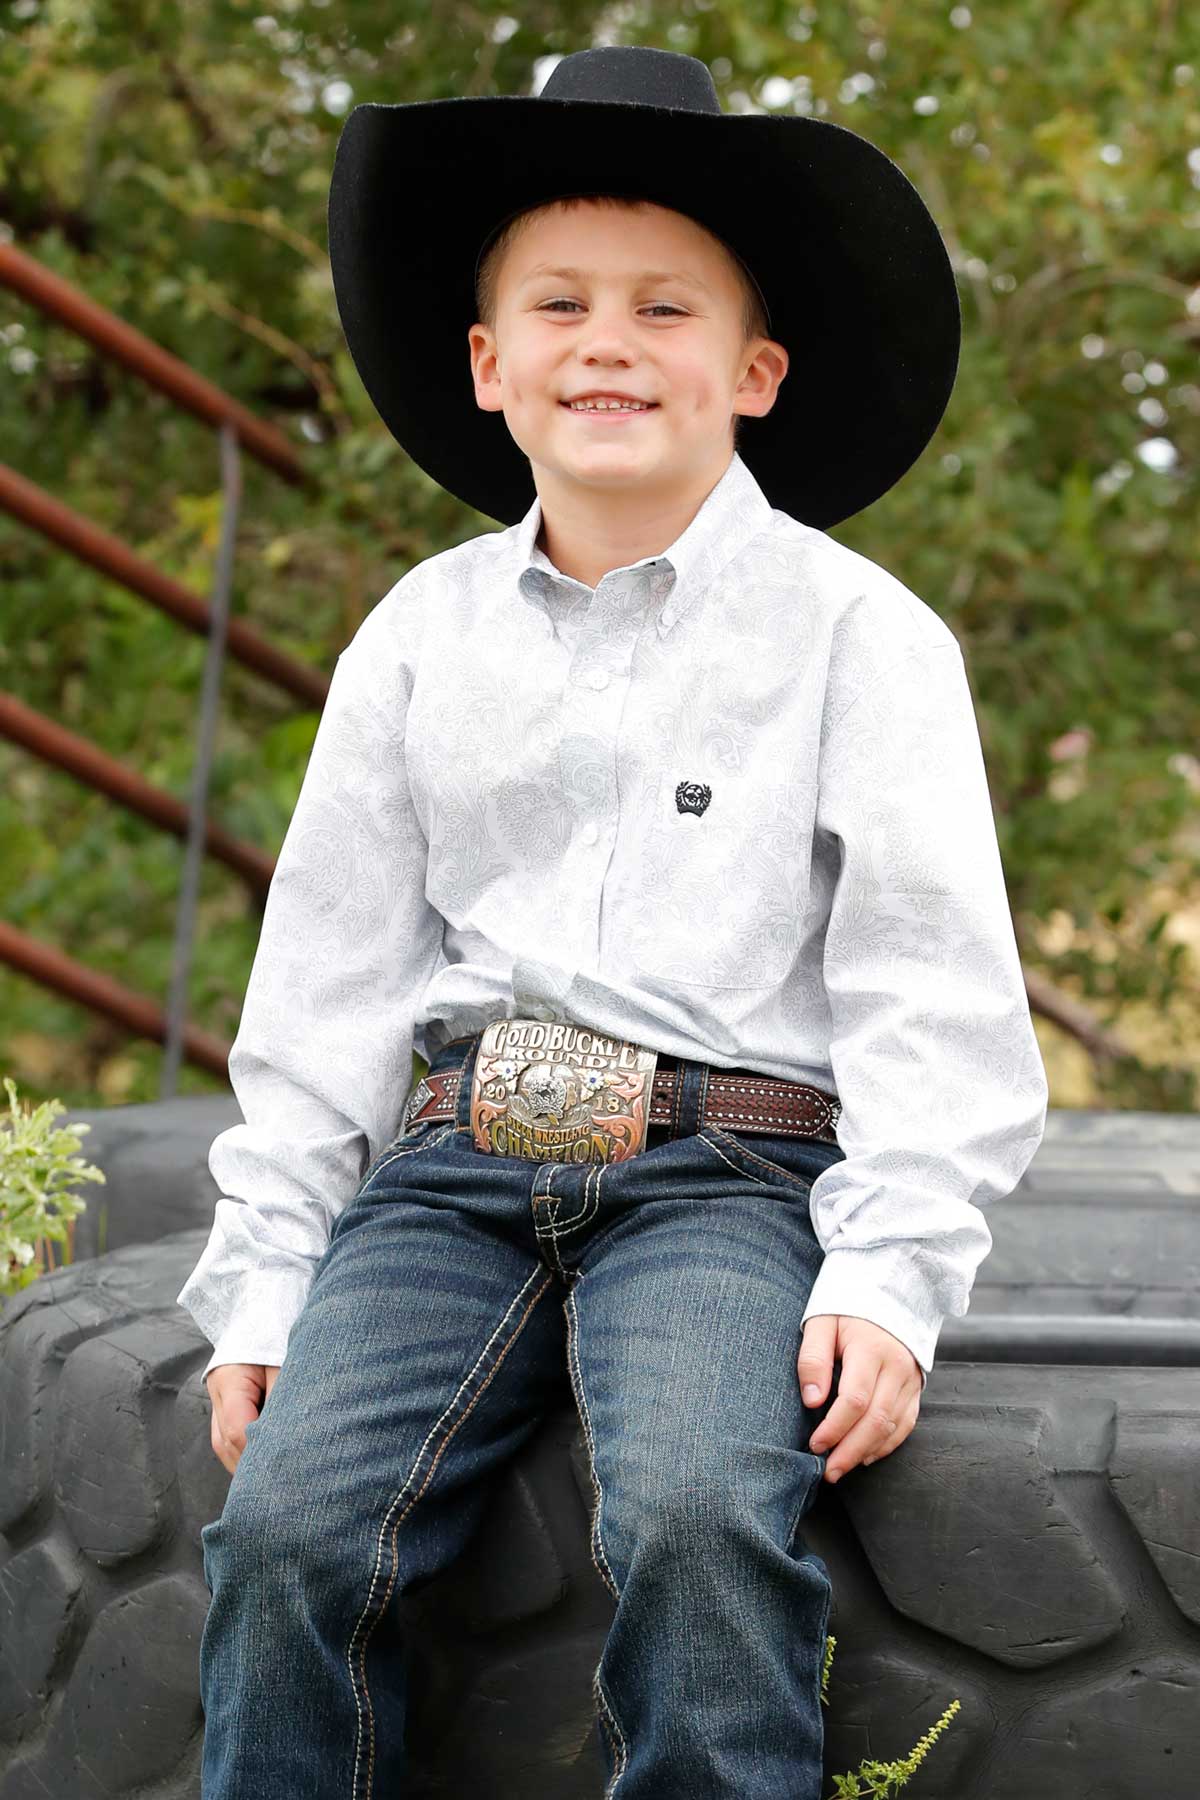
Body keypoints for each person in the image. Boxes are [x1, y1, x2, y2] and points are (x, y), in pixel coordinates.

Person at [178, 45, 1049, 1800]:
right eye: (560, 304)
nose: (610, 343)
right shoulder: (417, 637)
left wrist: (890, 1271)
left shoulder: (859, 639)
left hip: (725, 1174)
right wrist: (267, 1273)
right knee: (286, 1538)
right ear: (490, 367)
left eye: (667, 308)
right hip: (442, 1172)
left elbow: (926, 990)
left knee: (706, 1515)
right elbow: (329, 975)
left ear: (756, 368)